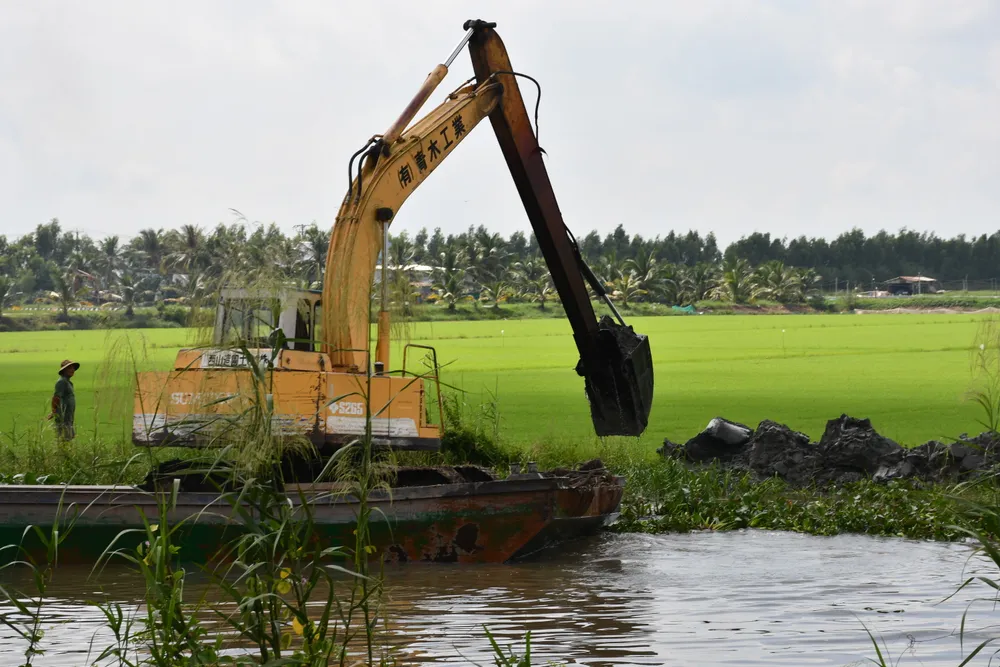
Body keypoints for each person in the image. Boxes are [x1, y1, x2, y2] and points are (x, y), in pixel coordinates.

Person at [50, 359, 79, 441]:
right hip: (63, 417)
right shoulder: (61, 382)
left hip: (68, 416)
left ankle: (66, 453)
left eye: (73, 368)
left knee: (68, 438)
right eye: (69, 368)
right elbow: (56, 397)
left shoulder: (68, 382)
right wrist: (54, 411)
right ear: (64, 370)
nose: (72, 370)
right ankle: (63, 453)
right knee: (64, 438)